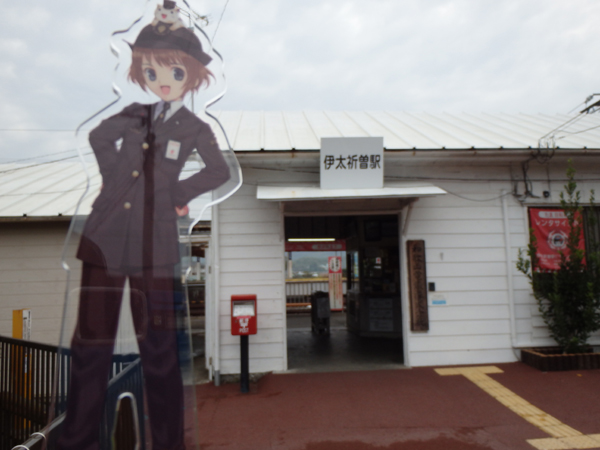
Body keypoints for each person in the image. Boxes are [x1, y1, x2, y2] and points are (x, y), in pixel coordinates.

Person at [57, 3, 230, 449]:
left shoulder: (195, 127)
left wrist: (175, 193)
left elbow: (219, 171)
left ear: (192, 75)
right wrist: (116, 178)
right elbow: (97, 136)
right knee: (91, 346)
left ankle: (169, 442)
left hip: (155, 247)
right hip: (104, 238)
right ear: (140, 72)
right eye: (152, 71)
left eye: (175, 72)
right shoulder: (135, 112)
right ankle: (76, 440)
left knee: (159, 351)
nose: (163, 81)